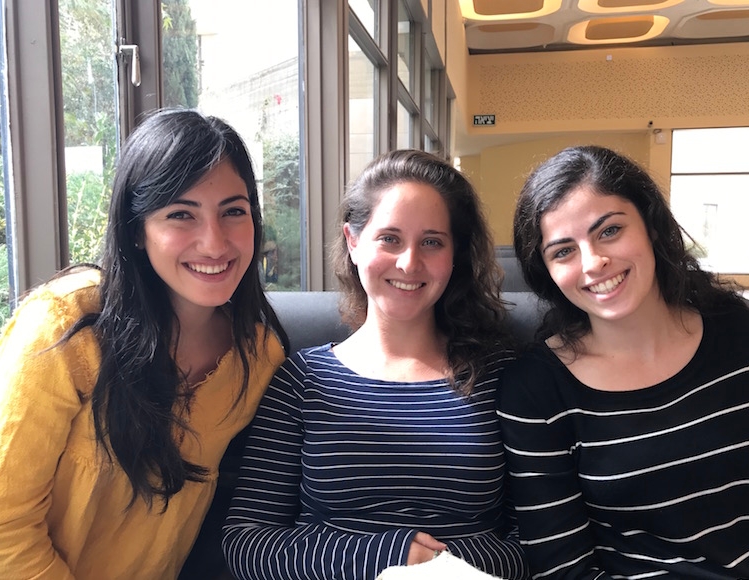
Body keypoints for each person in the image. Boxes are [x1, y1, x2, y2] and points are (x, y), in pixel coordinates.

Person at [0, 109, 288, 579]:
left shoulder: (259, 355)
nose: (215, 242)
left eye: (234, 211)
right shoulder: (65, 324)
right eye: (181, 214)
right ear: (136, 230)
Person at [499, 145, 749, 579]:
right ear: (547, 272)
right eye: (563, 252)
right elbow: (563, 567)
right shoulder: (534, 390)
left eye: (609, 231)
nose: (593, 263)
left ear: (651, 226)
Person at [222, 149, 530, 579]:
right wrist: (382, 557)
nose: (409, 262)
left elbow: (538, 539)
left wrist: (440, 568)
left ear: (454, 254)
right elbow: (246, 541)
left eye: (432, 242)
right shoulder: (302, 380)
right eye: (390, 238)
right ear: (353, 241)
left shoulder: (500, 372)